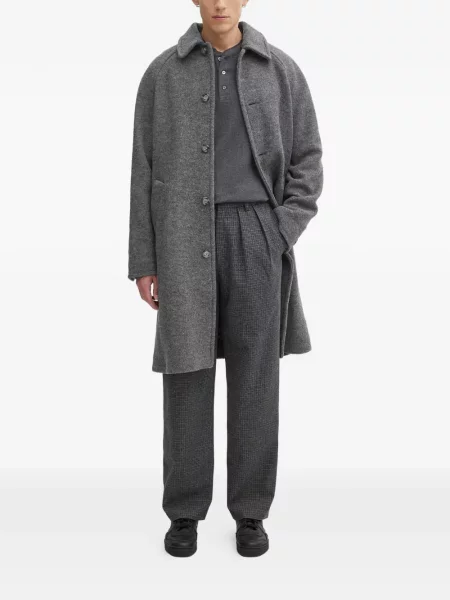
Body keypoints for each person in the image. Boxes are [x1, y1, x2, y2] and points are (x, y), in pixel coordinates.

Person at [128, 0, 323, 558]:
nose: (219, 3)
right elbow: (142, 167)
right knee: (186, 373)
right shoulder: (162, 74)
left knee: (256, 378)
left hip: (257, 235)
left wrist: (279, 229)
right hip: (182, 238)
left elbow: (308, 161)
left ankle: (251, 511)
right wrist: (145, 258)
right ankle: (184, 511)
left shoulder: (280, 70)